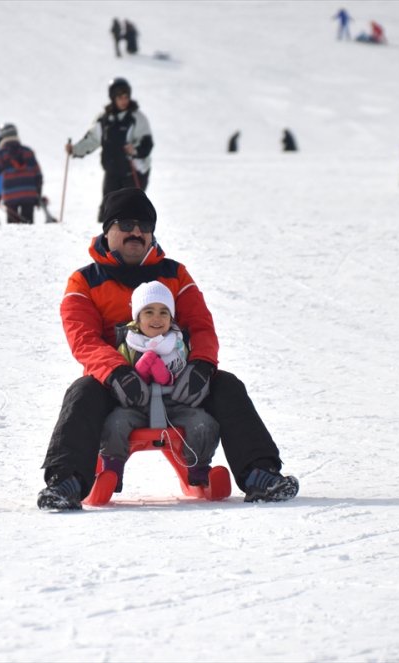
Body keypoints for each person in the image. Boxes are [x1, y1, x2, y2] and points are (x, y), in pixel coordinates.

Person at [36, 188, 300, 510]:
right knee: (81, 392)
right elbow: (83, 338)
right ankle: (66, 482)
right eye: (127, 224)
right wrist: (117, 372)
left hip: (177, 379)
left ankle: (261, 474)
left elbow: (201, 325)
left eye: (145, 226)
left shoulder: (174, 274)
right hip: (116, 384)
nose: (136, 232)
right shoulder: (84, 281)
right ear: (108, 230)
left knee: (227, 385)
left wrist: (201, 366)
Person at [99, 280, 221, 492]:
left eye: (164, 312)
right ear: (137, 318)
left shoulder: (178, 342)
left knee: (203, 422)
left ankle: (199, 469)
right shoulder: (128, 343)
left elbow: (185, 368)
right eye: (149, 312)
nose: (157, 318)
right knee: (115, 422)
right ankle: (112, 470)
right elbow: (118, 370)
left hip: (174, 404)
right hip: (136, 405)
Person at [66, 77, 153, 212]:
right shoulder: (104, 120)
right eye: (120, 97)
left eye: (126, 97)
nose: (124, 101)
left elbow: (147, 142)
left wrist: (135, 150)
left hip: (133, 171)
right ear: (113, 98)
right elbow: (93, 139)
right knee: (108, 211)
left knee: (132, 211)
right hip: (112, 172)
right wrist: (75, 149)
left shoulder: (136, 118)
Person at [0, 123, 42, 224]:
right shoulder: (28, 152)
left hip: (11, 194)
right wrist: (38, 195)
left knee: (13, 227)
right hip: (29, 194)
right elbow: (38, 175)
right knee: (28, 225)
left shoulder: (2, 153)